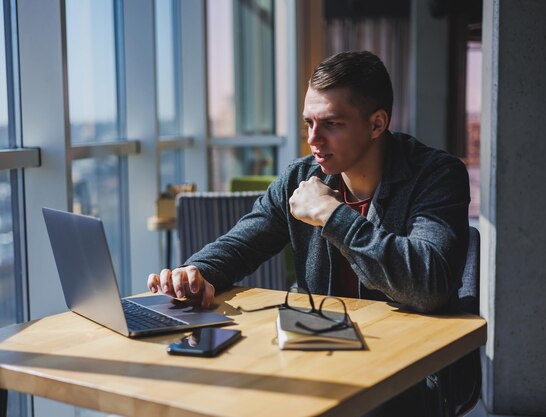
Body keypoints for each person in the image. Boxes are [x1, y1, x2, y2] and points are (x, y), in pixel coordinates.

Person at [148, 51, 474, 416]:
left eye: (331, 124)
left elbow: (428, 285)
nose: (313, 139)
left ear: (377, 124)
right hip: (316, 351)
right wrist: (196, 273)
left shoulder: (436, 176)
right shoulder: (299, 178)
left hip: (404, 371)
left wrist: (332, 214)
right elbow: (242, 242)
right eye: (308, 123)